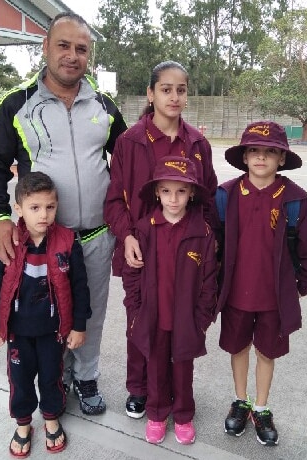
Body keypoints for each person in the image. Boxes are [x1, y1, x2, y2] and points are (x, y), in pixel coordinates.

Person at [0, 12, 128, 415]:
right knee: (47, 312)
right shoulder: (17, 105)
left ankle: (86, 376)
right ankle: (55, 378)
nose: (72, 55)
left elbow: (130, 160)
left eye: (81, 48)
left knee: (88, 313)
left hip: (97, 236)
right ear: (45, 49)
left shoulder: (104, 106)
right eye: (63, 45)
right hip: (44, 240)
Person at [104, 60, 220, 419]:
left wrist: (210, 247)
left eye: (181, 90)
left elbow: (208, 199)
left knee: (181, 320)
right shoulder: (129, 142)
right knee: (141, 321)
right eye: (166, 89)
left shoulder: (198, 144)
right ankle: (140, 389)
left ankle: (177, 392)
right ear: (151, 94)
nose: (174, 96)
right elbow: (113, 202)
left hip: (185, 252)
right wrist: (126, 237)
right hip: (142, 251)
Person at [216, 121, 307, 446]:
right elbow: (210, 244)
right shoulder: (225, 196)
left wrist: (296, 289)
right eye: (254, 150)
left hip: (273, 301)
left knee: (267, 353)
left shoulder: (294, 200)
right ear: (244, 157)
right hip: (236, 295)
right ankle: (240, 401)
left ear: (282, 158)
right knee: (238, 348)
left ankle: (261, 407)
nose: (261, 157)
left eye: (270, 152)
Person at [0, 172, 91, 457]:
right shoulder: (11, 240)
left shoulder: (68, 241)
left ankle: (51, 417)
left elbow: (80, 287)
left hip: (53, 331)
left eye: (50, 207)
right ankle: (23, 424)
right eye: (35, 208)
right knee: (19, 379)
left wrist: (78, 326)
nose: (43, 215)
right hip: (18, 332)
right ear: (18, 209)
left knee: (51, 377)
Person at [122, 156, 217, 445]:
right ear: (156, 193)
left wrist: (201, 319)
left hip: (187, 320)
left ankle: (184, 415)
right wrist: (137, 311)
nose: (173, 199)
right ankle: (156, 413)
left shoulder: (203, 233)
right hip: (153, 316)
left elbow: (210, 279)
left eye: (180, 191)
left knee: (183, 370)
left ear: (191, 194)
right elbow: (132, 275)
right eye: (166, 191)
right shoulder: (144, 229)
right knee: (156, 368)